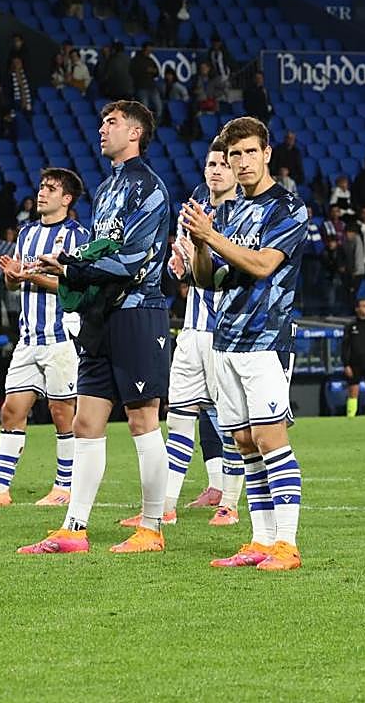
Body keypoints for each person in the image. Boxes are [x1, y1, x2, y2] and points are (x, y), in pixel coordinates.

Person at [17, 100, 171, 556]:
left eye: (112, 122)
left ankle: (150, 528)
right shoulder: (106, 189)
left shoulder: (149, 187)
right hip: (100, 316)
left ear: (136, 133)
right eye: (102, 121)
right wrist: (66, 264)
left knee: (143, 420)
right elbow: (96, 251)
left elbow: (131, 259)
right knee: (85, 422)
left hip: (138, 312)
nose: (102, 129)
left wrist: (70, 268)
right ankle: (73, 528)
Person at [179, 115, 309, 571]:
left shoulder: (288, 208)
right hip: (225, 338)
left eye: (250, 151)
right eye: (235, 155)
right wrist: (199, 244)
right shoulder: (230, 212)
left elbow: (261, 265)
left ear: (267, 153)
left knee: (272, 439)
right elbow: (207, 280)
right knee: (244, 441)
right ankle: (260, 541)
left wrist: (211, 235)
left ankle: (287, 545)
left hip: (266, 340)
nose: (243, 161)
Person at [120, 140, 243, 527]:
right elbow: (187, 269)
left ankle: (231, 503)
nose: (216, 170)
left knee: (231, 422)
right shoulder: (193, 211)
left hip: (229, 333)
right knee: (180, 418)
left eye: (224, 163)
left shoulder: (246, 214)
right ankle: (166, 505)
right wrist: (179, 266)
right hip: (192, 331)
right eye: (211, 163)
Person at [0, 169, 89, 508]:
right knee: (11, 409)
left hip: (61, 337)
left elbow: (78, 287)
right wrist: (14, 277)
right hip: (28, 337)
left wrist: (30, 275)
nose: (42, 193)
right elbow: (16, 284)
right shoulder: (27, 233)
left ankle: (64, 488)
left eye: (51, 189)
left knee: (62, 413)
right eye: (42, 186)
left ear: (67, 198)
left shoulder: (77, 237)